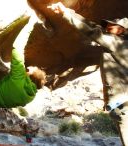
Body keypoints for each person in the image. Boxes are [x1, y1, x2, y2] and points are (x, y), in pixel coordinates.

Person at [47, 2, 128, 146]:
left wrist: (66, 13)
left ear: (123, 30)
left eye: (113, 26)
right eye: (107, 26)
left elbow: (91, 31)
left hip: (123, 106)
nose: (108, 28)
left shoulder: (117, 44)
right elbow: (96, 28)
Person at [0, 13, 47, 108]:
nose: (29, 67)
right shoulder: (31, 96)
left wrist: (30, 24)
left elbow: (17, 47)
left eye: (30, 69)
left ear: (28, 75)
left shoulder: (19, 78)